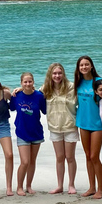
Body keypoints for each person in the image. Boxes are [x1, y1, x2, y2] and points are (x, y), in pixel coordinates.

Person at [41, 63, 78, 195]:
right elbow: (30, 93)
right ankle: (60, 185)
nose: (57, 76)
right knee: (60, 157)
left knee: (70, 157)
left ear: (63, 74)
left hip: (70, 126)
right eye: (54, 73)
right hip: (54, 127)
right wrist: (17, 90)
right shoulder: (46, 88)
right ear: (50, 75)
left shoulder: (72, 87)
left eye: (59, 73)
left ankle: (71, 185)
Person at [74, 55, 102, 199]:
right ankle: (92, 187)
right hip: (83, 122)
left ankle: (101, 189)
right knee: (87, 156)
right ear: (78, 68)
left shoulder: (98, 82)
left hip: (97, 124)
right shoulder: (78, 82)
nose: (84, 67)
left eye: (87, 64)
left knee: (94, 156)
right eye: (81, 65)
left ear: (91, 66)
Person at [10, 72, 46, 196]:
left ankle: (29, 186)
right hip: (22, 132)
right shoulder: (17, 95)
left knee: (32, 161)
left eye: (30, 81)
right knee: (24, 161)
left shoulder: (39, 96)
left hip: (36, 132)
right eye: (25, 82)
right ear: (21, 83)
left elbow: (45, 111)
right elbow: (11, 108)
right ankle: (19, 187)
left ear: (33, 82)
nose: (27, 84)